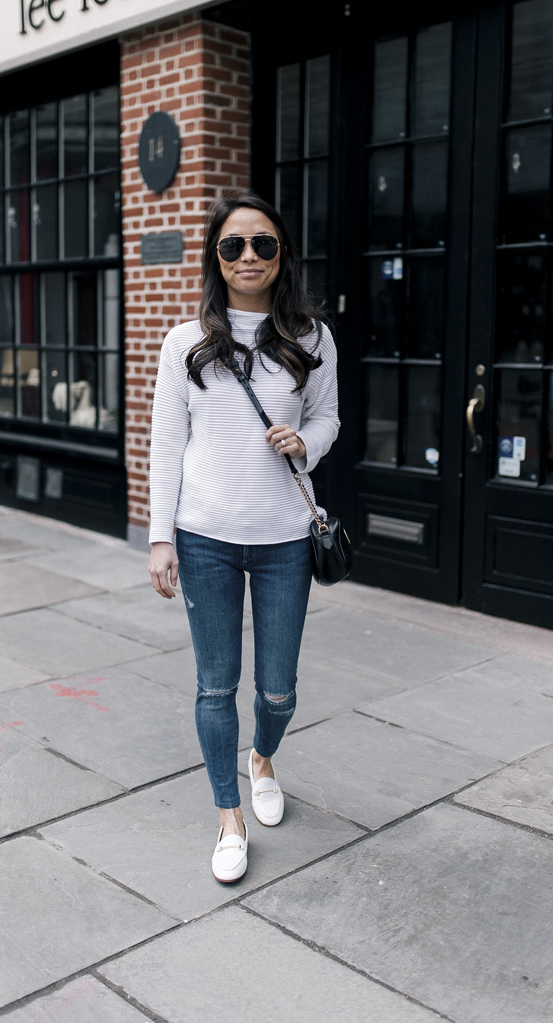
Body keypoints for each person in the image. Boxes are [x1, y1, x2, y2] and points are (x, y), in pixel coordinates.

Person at [148, 191, 339, 883]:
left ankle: (262, 757)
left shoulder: (310, 337)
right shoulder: (185, 343)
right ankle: (227, 814)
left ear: (281, 253)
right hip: (203, 538)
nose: (248, 256)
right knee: (213, 686)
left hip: (285, 536)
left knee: (279, 690)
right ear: (216, 258)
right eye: (233, 246)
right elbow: (166, 444)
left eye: (262, 243)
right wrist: (158, 537)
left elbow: (329, 419)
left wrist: (305, 442)